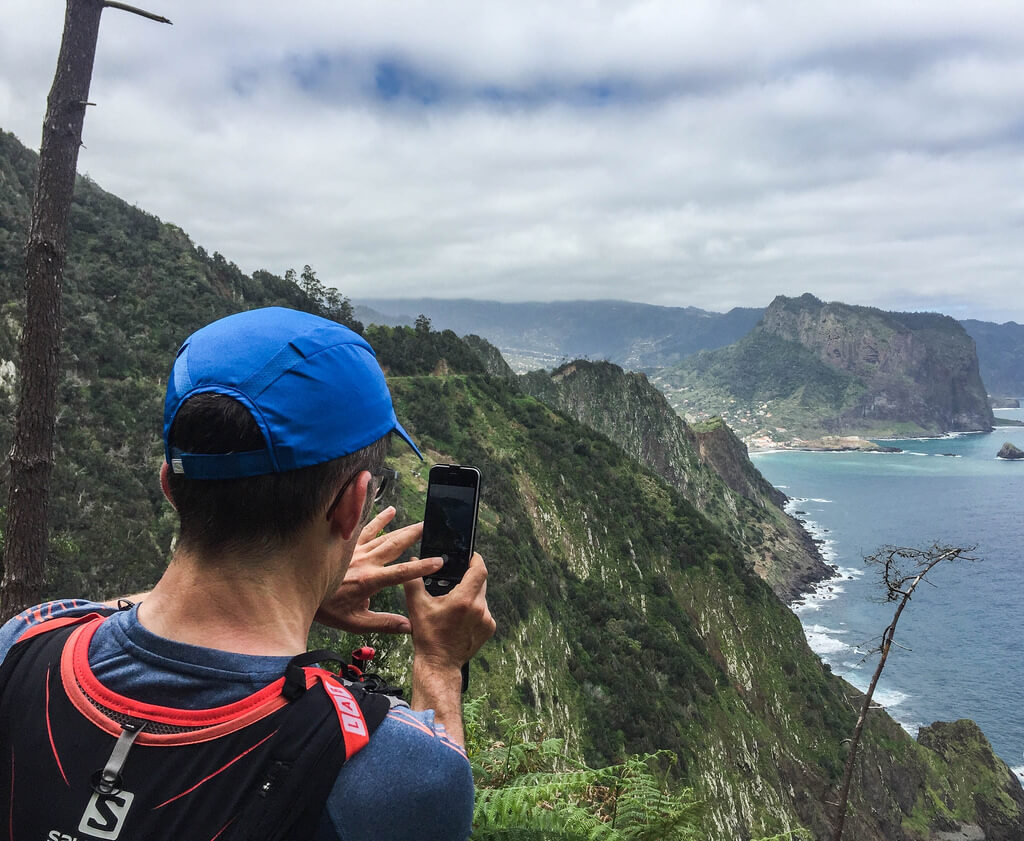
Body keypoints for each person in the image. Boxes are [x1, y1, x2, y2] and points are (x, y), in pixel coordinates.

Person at [0, 307, 496, 840]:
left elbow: (91, 616)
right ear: (353, 505)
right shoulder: (404, 773)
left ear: (170, 486)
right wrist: (439, 665)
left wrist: (303, 594)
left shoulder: (22, 644)